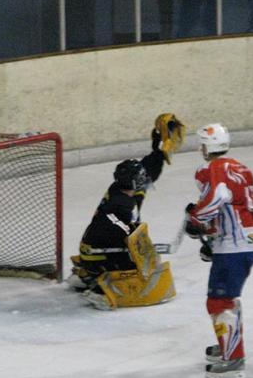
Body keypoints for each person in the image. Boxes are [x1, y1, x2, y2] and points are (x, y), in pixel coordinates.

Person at [69, 113, 186, 310]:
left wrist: (158, 149)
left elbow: (147, 170)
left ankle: (85, 273)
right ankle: (99, 289)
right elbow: (129, 237)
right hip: (97, 253)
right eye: (140, 178)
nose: (144, 180)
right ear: (134, 182)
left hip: (91, 248)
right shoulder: (122, 206)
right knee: (137, 266)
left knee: (124, 250)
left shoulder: (120, 189)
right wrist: (146, 254)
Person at [185, 123, 253, 378]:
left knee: (219, 301)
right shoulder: (241, 167)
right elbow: (232, 207)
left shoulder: (216, 168)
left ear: (206, 147)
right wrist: (212, 239)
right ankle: (229, 344)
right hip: (246, 241)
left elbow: (216, 198)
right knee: (227, 298)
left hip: (235, 245)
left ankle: (233, 359)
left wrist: (196, 219)